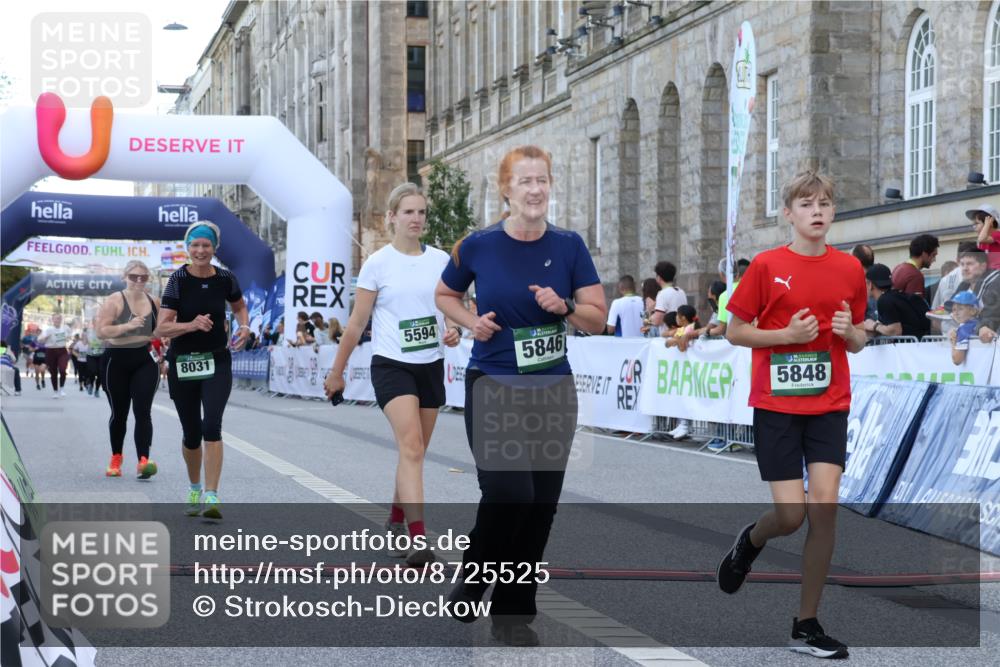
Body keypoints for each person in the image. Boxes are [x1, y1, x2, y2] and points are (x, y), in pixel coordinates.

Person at [435, 145, 606, 647]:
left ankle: (513, 611)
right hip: (494, 384)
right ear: (505, 189)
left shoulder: (570, 246)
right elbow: (445, 294)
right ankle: (474, 576)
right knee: (511, 493)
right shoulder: (478, 246)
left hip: (553, 388)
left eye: (543, 180)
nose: (535, 190)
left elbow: (597, 318)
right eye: (525, 181)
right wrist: (471, 321)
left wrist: (565, 306)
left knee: (541, 504)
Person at [720, 172, 867, 660]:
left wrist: (850, 332)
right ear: (789, 214)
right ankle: (752, 540)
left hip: (830, 403)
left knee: (823, 512)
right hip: (778, 405)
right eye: (807, 204)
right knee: (791, 514)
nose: (817, 211)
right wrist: (783, 337)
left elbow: (860, 340)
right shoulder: (765, 265)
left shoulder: (849, 268)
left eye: (825, 203)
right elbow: (734, 330)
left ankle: (805, 625)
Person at [324, 182, 460, 566]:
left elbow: (450, 308)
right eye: (409, 212)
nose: (416, 219)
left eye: (422, 212)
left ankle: (398, 517)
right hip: (391, 365)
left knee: (414, 452)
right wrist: (337, 372)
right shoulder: (377, 263)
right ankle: (418, 542)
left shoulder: (440, 262)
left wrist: (453, 328)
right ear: (392, 217)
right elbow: (355, 325)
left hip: (429, 365)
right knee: (412, 447)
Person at [154, 221, 250, 519]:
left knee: (211, 425)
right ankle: (194, 486)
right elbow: (161, 326)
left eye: (206, 245)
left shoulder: (225, 278)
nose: (200, 250)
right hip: (183, 361)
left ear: (214, 248)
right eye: (195, 245)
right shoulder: (177, 280)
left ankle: (212, 494)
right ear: (188, 247)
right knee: (191, 433)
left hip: (217, 360)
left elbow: (239, 306)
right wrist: (191, 324)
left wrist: (244, 325)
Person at [95, 260, 161, 479]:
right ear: (125, 277)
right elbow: (101, 332)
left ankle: (144, 460)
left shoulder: (154, 301)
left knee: (143, 412)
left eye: (143, 277)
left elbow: (162, 328)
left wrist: (166, 334)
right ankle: (116, 457)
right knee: (119, 413)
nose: (138, 281)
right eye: (134, 276)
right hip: (116, 360)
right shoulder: (115, 300)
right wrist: (127, 326)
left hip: (144, 359)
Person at [863, 264, 930, 340]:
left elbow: (895, 331)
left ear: (870, 284)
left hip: (910, 349)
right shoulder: (897, 296)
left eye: (865, 283)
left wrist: (874, 326)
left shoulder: (884, 300)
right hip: (923, 346)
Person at [930, 242, 979, 336]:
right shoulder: (983, 278)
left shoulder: (944, 280)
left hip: (951, 338)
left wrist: (947, 331)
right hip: (975, 340)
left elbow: (935, 318)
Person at [665, 304, 698, 440]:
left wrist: (674, 341)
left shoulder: (690, 329)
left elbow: (682, 346)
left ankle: (686, 424)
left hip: (690, 369)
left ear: (683, 317)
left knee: (689, 395)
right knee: (682, 395)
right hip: (683, 369)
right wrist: (673, 340)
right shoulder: (682, 329)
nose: (676, 319)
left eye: (677, 316)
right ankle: (682, 423)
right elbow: (669, 340)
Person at [953, 248, 1000, 343]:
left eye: (969, 264)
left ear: (983, 266)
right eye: (962, 264)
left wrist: (984, 326)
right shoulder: (963, 287)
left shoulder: (994, 284)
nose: (965, 268)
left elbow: (992, 313)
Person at [891, 233, 939, 298]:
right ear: (924, 254)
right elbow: (915, 306)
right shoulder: (915, 275)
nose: (934, 260)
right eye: (933, 255)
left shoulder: (898, 268)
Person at [37, 313, 72, 398]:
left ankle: (62, 388)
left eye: (59, 318)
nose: (58, 320)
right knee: (53, 372)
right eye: (56, 319)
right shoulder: (49, 330)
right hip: (51, 351)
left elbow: (70, 337)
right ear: (52, 320)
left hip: (62, 350)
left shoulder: (65, 328)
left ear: (61, 320)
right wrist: (44, 338)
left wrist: (68, 339)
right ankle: (55, 391)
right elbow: (39, 340)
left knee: (63, 369)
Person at [947, 291, 982, 366]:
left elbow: (957, 360)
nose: (956, 313)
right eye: (954, 309)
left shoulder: (964, 329)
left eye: (960, 309)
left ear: (973, 311)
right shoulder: (981, 324)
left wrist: (953, 341)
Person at [648, 261, 687, 328]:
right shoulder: (681, 292)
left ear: (659, 278)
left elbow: (657, 321)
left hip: (668, 335)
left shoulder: (662, 294)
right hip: (680, 333)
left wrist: (650, 311)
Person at [969, 202, 1000, 270]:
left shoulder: (997, 234)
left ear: (990, 222)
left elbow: (982, 239)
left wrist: (987, 224)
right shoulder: (981, 242)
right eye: (973, 224)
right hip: (988, 273)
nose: (974, 227)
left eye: (977, 223)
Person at [85, 320, 105, 398]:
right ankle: (90, 385)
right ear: (93, 323)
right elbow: (87, 341)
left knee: (100, 373)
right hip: (91, 355)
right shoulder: (89, 332)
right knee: (93, 371)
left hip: (101, 355)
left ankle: (97, 390)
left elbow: (107, 340)